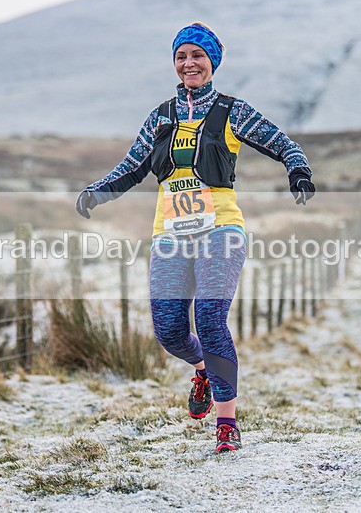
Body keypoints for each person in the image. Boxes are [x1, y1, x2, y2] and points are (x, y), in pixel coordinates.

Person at [75, 22, 315, 453]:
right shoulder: (161, 116)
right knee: (168, 331)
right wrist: (97, 192)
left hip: (221, 230)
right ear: (175, 63)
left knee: (209, 320)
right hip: (170, 234)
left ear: (212, 63)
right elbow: (132, 167)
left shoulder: (232, 110)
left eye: (198, 56)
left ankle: (227, 424)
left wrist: (299, 171)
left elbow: (283, 143)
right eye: (182, 57)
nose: (189, 64)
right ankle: (203, 369)